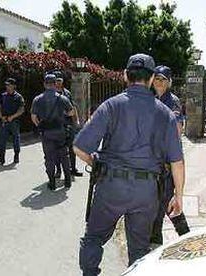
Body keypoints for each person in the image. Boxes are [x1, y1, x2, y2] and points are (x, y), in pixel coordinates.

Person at [73, 54, 185, 275]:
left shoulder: (111, 106)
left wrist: (97, 164)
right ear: (152, 78)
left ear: (125, 75)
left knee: (94, 238)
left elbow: (79, 147)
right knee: (140, 249)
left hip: (111, 186)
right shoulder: (165, 114)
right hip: (146, 192)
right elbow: (177, 161)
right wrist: (178, 196)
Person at [150, 65, 190, 248]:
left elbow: (177, 129)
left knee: (161, 206)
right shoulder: (150, 99)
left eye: (163, 79)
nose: (159, 82)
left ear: (169, 82)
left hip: (168, 164)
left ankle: (156, 243)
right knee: (163, 204)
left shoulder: (172, 101)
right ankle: (186, 237)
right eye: (157, 78)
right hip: (154, 163)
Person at [31, 74, 74, 190]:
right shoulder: (62, 98)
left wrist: (40, 125)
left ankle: (52, 182)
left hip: (46, 132)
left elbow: (34, 117)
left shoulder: (37, 99)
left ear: (45, 84)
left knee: (49, 157)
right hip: (60, 131)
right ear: (55, 84)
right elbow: (71, 113)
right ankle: (68, 181)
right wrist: (63, 115)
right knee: (64, 155)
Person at [54, 71, 83, 178]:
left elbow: (73, 106)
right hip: (57, 125)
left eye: (60, 80)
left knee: (72, 148)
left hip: (68, 124)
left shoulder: (67, 93)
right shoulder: (51, 94)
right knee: (58, 149)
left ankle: (73, 169)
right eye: (56, 81)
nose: (58, 83)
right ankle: (58, 171)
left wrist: (77, 120)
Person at [0, 78, 25, 165]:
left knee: (16, 139)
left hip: (14, 121)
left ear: (14, 86)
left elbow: (21, 109)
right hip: (4, 120)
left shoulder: (18, 97)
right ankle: (1, 157)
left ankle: (16, 156)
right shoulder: (3, 95)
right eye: (6, 85)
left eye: (9, 85)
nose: (7, 87)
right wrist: (1, 116)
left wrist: (13, 117)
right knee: (2, 139)